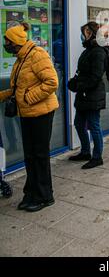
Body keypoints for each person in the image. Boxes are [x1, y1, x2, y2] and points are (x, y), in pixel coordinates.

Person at [0, 23, 59, 212]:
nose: (5, 44)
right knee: (30, 155)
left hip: (41, 113)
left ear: (15, 42)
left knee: (40, 155)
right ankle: (31, 192)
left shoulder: (37, 54)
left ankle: (45, 196)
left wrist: (27, 98)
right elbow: (19, 86)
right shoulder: (21, 57)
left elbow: (52, 82)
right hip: (27, 113)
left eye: (7, 41)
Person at [68, 22, 108, 169]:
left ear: (91, 33)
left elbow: (95, 76)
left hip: (92, 95)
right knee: (79, 123)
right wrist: (74, 81)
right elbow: (82, 71)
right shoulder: (88, 51)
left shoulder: (98, 51)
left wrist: (79, 85)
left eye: (84, 32)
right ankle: (85, 151)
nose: (82, 35)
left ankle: (97, 157)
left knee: (94, 125)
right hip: (83, 95)